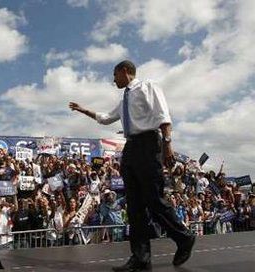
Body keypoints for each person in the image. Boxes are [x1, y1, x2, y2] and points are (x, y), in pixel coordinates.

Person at [69, 60, 195, 271]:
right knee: (135, 206)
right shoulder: (124, 100)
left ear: (124, 71)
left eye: (114, 75)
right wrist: (84, 111)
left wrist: (167, 144)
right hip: (131, 148)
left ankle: (184, 238)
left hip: (148, 143)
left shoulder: (147, 86)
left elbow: (163, 114)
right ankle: (141, 258)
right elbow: (106, 118)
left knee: (154, 200)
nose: (113, 80)